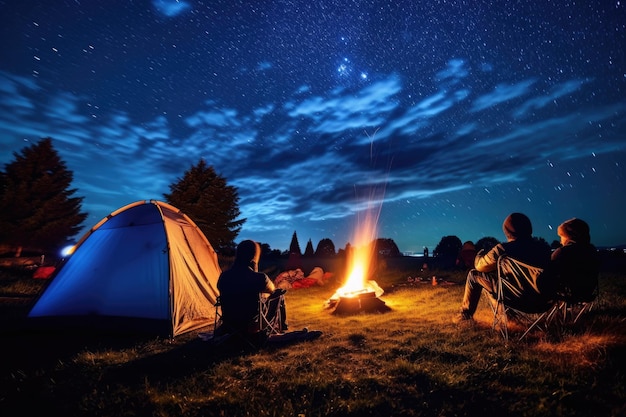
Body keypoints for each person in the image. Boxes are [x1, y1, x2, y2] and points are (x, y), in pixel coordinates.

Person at [454, 212, 552, 322]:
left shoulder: (503, 249)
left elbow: (480, 267)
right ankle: (508, 316)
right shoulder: (544, 249)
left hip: (515, 300)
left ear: (507, 232)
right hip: (545, 302)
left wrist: (479, 255)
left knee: (474, 274)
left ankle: (465, 316)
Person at [217, 240, 288, 337]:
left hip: (229, 324)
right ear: (253, 257)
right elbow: (272, 289)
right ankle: (283, 329)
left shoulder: (224, 277)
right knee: (279, 293)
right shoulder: (259, 278)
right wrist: (255, 269)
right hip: (252, 326)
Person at [551, 218, 600, 302]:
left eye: (561, 237)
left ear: (568, 236)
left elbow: (551, 271)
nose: (560, 241)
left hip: (567, 292)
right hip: (587, 292)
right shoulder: (591, 250)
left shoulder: (563, 252)